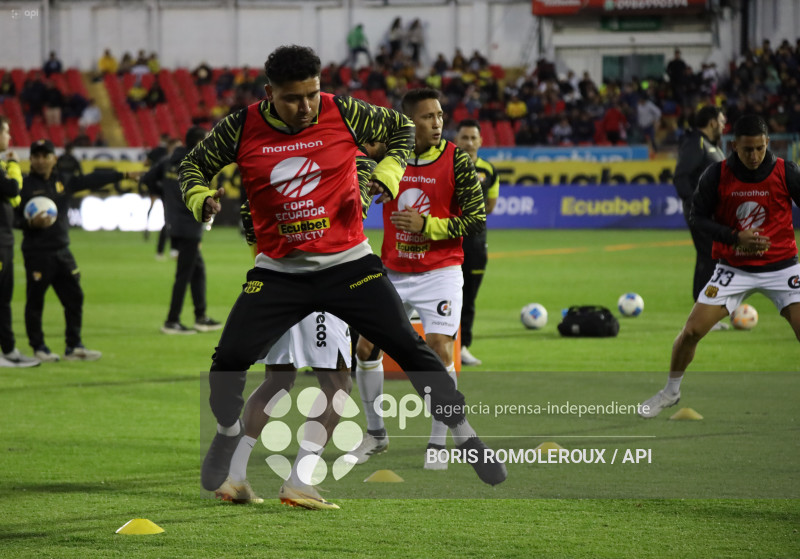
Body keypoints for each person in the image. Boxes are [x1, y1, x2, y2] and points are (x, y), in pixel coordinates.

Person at [180, 45, 506, 506]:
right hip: (280, 271)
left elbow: (401, 128)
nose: (306, 107)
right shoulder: (241, 126)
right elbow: (192, 165)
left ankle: (466, 434)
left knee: (410, 348)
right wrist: (199, 197)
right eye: (293, 98)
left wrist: (390, 170)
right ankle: (228, 431)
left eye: (312, 94)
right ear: (269, 93)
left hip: (348, 265)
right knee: (227, 362)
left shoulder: (343, 111)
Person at [352, 88, 486, 470]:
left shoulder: (457, 161)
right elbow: (355, 155)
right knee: (365, 348)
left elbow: (476, 220)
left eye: (440, 115)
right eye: (428, 117)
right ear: (409, 123)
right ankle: (376, 434)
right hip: (393, 269)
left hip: (439, 271)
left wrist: (427, 225)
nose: (437, 123)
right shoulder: (389, 155)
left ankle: (437, 442)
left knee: (440, 348)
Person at [639, 115, 800, 418]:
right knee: (691, 331)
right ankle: (670, 392)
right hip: (733, 269)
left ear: (767, 143)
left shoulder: (786, 171)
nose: (754, 156)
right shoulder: (716, 174)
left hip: (782, 269)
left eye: (760, 148)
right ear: (734, 145)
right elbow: (697, 218)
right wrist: (735, 237)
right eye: (747, 149)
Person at [21, 139, 140, 361]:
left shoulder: (63, 180)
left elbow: (91, 179)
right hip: (37, 252)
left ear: (54, 159)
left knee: (75, 297)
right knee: (35, 301)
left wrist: (122, 175)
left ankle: (74, 346)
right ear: (31, 159)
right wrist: (29, 223)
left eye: (45, 155)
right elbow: (11, 217)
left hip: (62, 251)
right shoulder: (24, 186)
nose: (41, 160)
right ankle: (39, 348)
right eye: (36, 156)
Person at [141, 127, 221, 335]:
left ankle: (201, 317)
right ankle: (172, 321)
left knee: (197, 269)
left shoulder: (168, 161)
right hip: (189, 225)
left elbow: (147, 178)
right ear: (199, 142)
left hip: (173, 222)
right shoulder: (197, 163)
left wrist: (165, 196)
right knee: (184, 274)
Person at [673, 105, 729, 330]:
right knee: (712, 257)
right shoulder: (695, 143)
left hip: (714, 214)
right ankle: (704, 315)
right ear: (712, 122)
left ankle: (703, 312)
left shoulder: (710, 145)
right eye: (722, 121)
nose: (724, 125)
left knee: (709, 257)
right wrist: (695, 204)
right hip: (702, 213)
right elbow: (681, 176)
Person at [453, 119, 499, 366]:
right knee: (445, 297)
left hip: (476, 244)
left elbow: (490, 205)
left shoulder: (489, 170)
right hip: (448, 242)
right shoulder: (446, 165)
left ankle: (463, 347)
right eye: (465, 137)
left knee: (468, 298)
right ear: (456, 140)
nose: (469, 142)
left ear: (481, 141)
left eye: (473, 138)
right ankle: (440, 346)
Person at [0, 117, 39, 367]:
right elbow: (13, 190)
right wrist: (14, 165)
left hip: (4, 240)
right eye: (5, 132)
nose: (9, 137)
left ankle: (8, 350)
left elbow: (12, 200)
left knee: (3, 298)